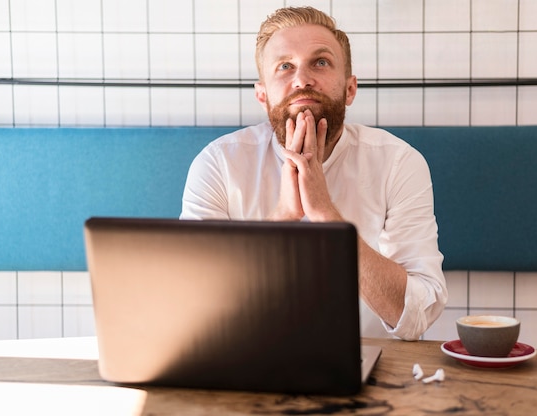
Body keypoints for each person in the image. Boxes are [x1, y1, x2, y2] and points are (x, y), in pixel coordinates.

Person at [180, 6, 447, 340]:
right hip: (247, 359)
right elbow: (193, 300)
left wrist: (327, 216)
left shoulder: (399, 163)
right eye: (285, 66)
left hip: (371, 367)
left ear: (350, 89)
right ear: (262, 96)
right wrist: (282, 217)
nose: (302, 79)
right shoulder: (218, 163)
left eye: (320, 62)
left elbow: (416, 316)